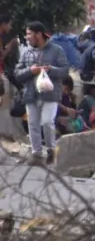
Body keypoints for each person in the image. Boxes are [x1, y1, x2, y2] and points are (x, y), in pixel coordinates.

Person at [15, 22, 69, 164]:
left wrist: (50, 69)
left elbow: (65, 71)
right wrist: (30, 71)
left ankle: (51, 149)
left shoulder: (56, 50)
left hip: (50, 95)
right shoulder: (26, 52)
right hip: (30, 94)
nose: (27, 37)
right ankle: (37, 154)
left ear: (38, 34)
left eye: (29, 34)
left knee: (46, 121)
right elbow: (17, 74)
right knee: (32, 123)